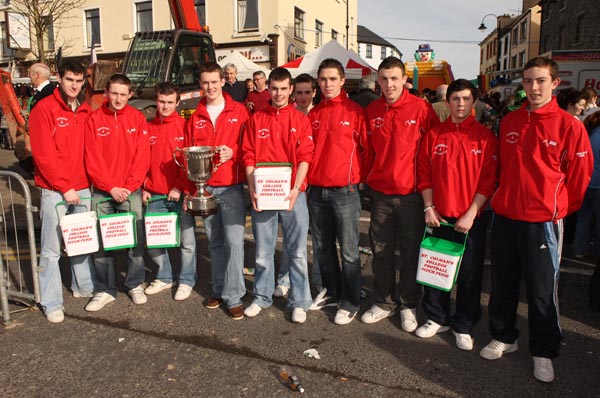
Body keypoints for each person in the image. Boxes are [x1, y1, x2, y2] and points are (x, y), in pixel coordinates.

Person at [481, 57, 593, 383]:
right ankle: (504, 336)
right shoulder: (511, 120)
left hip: (542, 222)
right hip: (505, 218)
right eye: (528, 81)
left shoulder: (570, 126)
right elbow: (502, 169)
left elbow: (580, 177)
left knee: (542, 291)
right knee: (502, 283)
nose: (533, 87)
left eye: (541, 80)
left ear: (555, 83)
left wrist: (556, 210)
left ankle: (543, 351)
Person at [416, 79, 498, 350]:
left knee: (469, 275)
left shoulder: (485, 138)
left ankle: (463, 324)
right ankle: (437, 317)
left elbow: (489, 181)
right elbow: (424, 174)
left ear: (473, 102)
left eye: (465, 98)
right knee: (436, 270)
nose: (460, 104)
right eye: (455, 99)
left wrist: (471, 214)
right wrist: (429, 208)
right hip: (438, 215)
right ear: (447, 102)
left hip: (470, 218)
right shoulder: (434, 135)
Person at [362, 56, 440, 331]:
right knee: (381, 252)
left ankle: (408, 304)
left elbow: (431, 154)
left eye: (394, 78)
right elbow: (367, 151)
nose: (389, 84)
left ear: (405, 80)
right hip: (381, 194)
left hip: (411, 196)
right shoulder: (372, 110)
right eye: (384, 79)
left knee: (410, 253)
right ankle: (383, 302)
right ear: (378, 81)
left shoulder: (421, 109)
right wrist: (367, 182)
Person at [242, 67, 314, 324]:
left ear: (291, 89)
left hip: (294, 195)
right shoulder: (256, 119)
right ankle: (261, 297)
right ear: (268, 88)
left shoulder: (300, 120)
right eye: (274, 88)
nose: (279, 93)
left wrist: (296, 188)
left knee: (296, 253)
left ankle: (299, 301)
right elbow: (248, 155)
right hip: (264, 194)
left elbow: (306, 157)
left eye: (284, 88)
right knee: (262, 252)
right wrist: (253, 187)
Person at [28, 60, 96, 323]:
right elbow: (44, 155)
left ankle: (83, 286)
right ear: (59, 78)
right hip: (55, 190)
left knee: (81, 242)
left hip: (82, 187)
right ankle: (51, 301)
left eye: (79, 81)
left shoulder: (85, 110)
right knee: (51, 248)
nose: (75, 86)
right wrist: (64, 186)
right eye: (70, 80)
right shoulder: (44, 109)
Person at [185, 62, 249, 320]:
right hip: (207, 188)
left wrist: (234, 153)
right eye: (205, 82)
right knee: (215, 243)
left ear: (223, 81)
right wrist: (192, 189)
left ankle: (234, 296)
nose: (210, 87)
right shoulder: (194, 116)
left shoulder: (240, 111)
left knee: (234, 244)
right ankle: (219, 289)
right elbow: (189, 155)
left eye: (214, 81)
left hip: (231, 187)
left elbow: (251, 147)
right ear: (200, 85)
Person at [307, 58, 368, 325]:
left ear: (342, 81)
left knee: (349, 251)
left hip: (345, 191)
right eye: (323, 79)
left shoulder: (355, 112)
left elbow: (367, 149)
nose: (328, 83)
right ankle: (332, 292)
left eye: (333, 79)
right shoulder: (314, 113)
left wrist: (358, 180)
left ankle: (351, 300)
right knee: (322, 247)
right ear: (317, 82)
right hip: (316, 191)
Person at [84, 73, 150, 312]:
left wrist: (129, 186)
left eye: (123, 94)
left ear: (130, 95)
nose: (119, 98)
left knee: (135, 242)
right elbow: (91, 158)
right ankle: (105, 289)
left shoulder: (137, 118)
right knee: (102, 244)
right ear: (107, 93)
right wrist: (109, 186)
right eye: (114, 93)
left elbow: (142, 158)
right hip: (104, 192)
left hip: (130, 192)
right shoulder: (93, 120)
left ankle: (134, 284)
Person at [142, 82, 197, 301]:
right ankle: (165, 277)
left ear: (177, 102)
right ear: (156, 101)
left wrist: (180, 186)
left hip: (180, 192)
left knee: (187, 241)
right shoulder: (147, 127)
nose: (165, 106)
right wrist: (143, 186)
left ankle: (186, 280)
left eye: (170, 102)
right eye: (162, 102)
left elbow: (190, 162)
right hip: (154, 193)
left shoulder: (185, 127)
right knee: (155, 242)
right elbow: (140, 160)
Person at [274, 72, 319, 297]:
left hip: (317, 182)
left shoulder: (318, 115)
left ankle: (317, 282)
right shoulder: (285, 114)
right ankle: (284, 278)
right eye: (299, 92)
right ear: (293, 92)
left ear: (314, 92)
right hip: (292, 184)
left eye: (307, 92)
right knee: (291, 236)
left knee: (312, 238)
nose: (302, 97)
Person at [580, 111, 600, 311]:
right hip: (596, 189)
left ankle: (578, 249)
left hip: (589, 188)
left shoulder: (590, 133)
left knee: (584, 221)